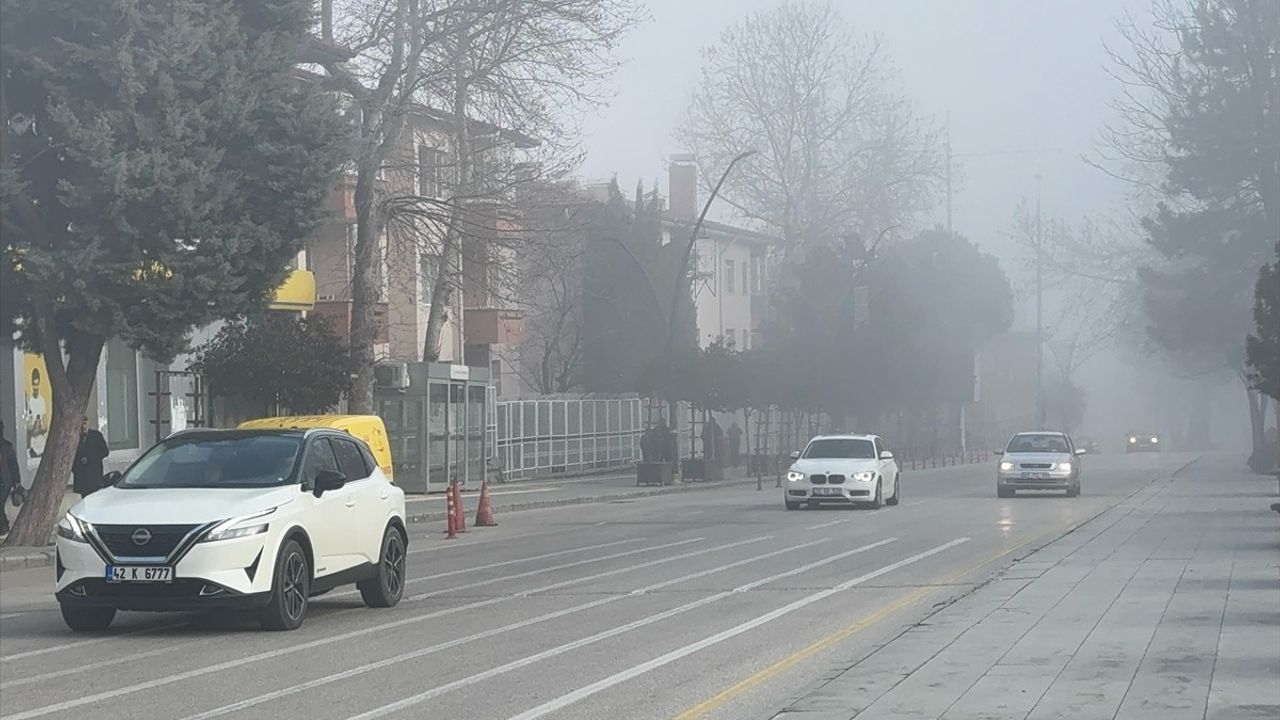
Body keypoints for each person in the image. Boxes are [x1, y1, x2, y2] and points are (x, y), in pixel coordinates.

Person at [72, 417, 110, 498]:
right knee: (84, 498)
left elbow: (105, 452)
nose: (83, 427)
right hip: (82, 475)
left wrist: (91, 458)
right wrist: (75, 469)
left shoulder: (96, 435)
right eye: (81, 425)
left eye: (85, 424)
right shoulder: (75, 437)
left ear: (88, 423)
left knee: (95, 496)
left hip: (94, 474)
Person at [0, 420, 21, 535]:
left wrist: (16, 481)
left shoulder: (7, 447)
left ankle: (4, 527)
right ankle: (3, 526)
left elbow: (13, 465)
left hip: (4, 482)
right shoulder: (7, 446)